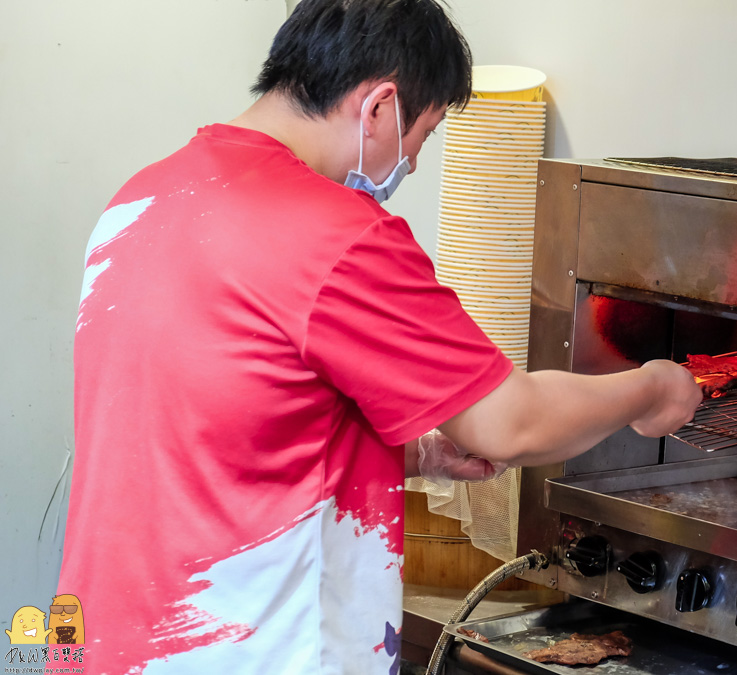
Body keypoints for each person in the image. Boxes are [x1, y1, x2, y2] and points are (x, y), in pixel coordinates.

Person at [58, 0, 702, 672]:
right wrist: (650, 387)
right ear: (379, 108)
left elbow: (217, 445)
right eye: (423, 136)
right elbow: (513, 423)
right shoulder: (336, 237)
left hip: (105, 642)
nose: (414, 164)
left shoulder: (140, 201)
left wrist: (417, 456)